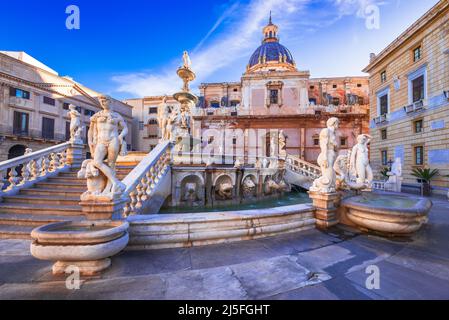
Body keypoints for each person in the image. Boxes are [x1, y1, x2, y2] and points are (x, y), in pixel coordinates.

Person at [87, 95, 128, 198]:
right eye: (101, 101)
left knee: (111, 164)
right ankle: (116, 182)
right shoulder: (96, 116)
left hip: (113, 139)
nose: (102, 103)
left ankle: (108, 188)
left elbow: (125, 129)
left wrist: (121, 136)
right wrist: (90, 141)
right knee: (96, 161)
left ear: (110, 102)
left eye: (104, 101)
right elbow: (90, 130)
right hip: (101, 140)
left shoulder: (117, 116)